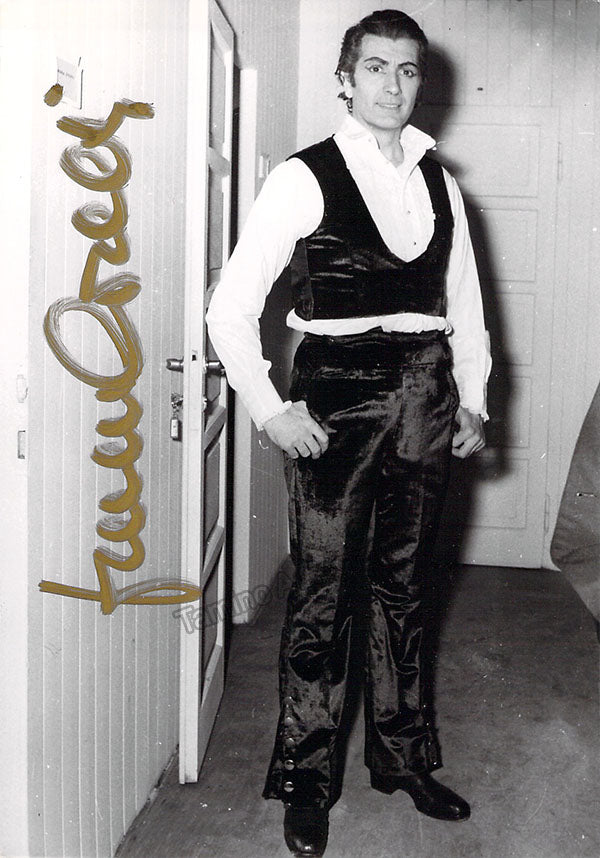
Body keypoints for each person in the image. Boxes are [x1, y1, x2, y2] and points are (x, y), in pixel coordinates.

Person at [206, 9, 491, 857]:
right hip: (337, 398)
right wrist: (269, 408)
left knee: (407, 587)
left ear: (420, 81)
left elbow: (465, 304)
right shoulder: (305, 177)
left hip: (427, 396)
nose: (392, 86)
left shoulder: (442, 182)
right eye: (375, 68)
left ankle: (401, 759)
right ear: (345, 79)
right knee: (324, 594)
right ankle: (307, 780)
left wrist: (473, 399)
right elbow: (229, 309)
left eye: (407, 70)